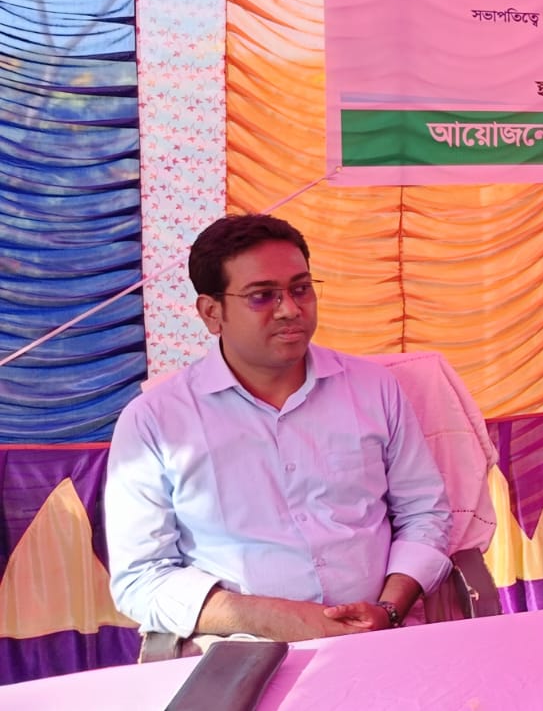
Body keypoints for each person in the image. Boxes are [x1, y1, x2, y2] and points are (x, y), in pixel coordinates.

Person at [107, 214, 452, 644]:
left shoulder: (374, 389)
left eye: (301, 288)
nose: (290, 309)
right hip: (238, 651)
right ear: (212, 313)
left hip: (380, 638)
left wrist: (389, 609)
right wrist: (282, 621)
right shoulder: (155, 421)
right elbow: (141, 578)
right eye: (262, 296)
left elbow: (425, 512)